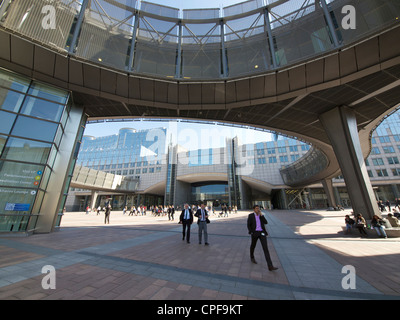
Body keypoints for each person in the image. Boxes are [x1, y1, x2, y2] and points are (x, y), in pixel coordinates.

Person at [247, 205, 278, 271]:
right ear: (254, 209)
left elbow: (266, 222)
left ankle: (270, 266)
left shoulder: (261, 216)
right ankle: (252, 256)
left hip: (262, 233)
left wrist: (261, 215)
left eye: (258, 208)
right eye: (256, 208)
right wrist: (251, 232)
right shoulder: (251, 216)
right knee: (253, 245)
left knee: (265, 248)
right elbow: (248, 225)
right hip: (255, 233)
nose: (258, 210)